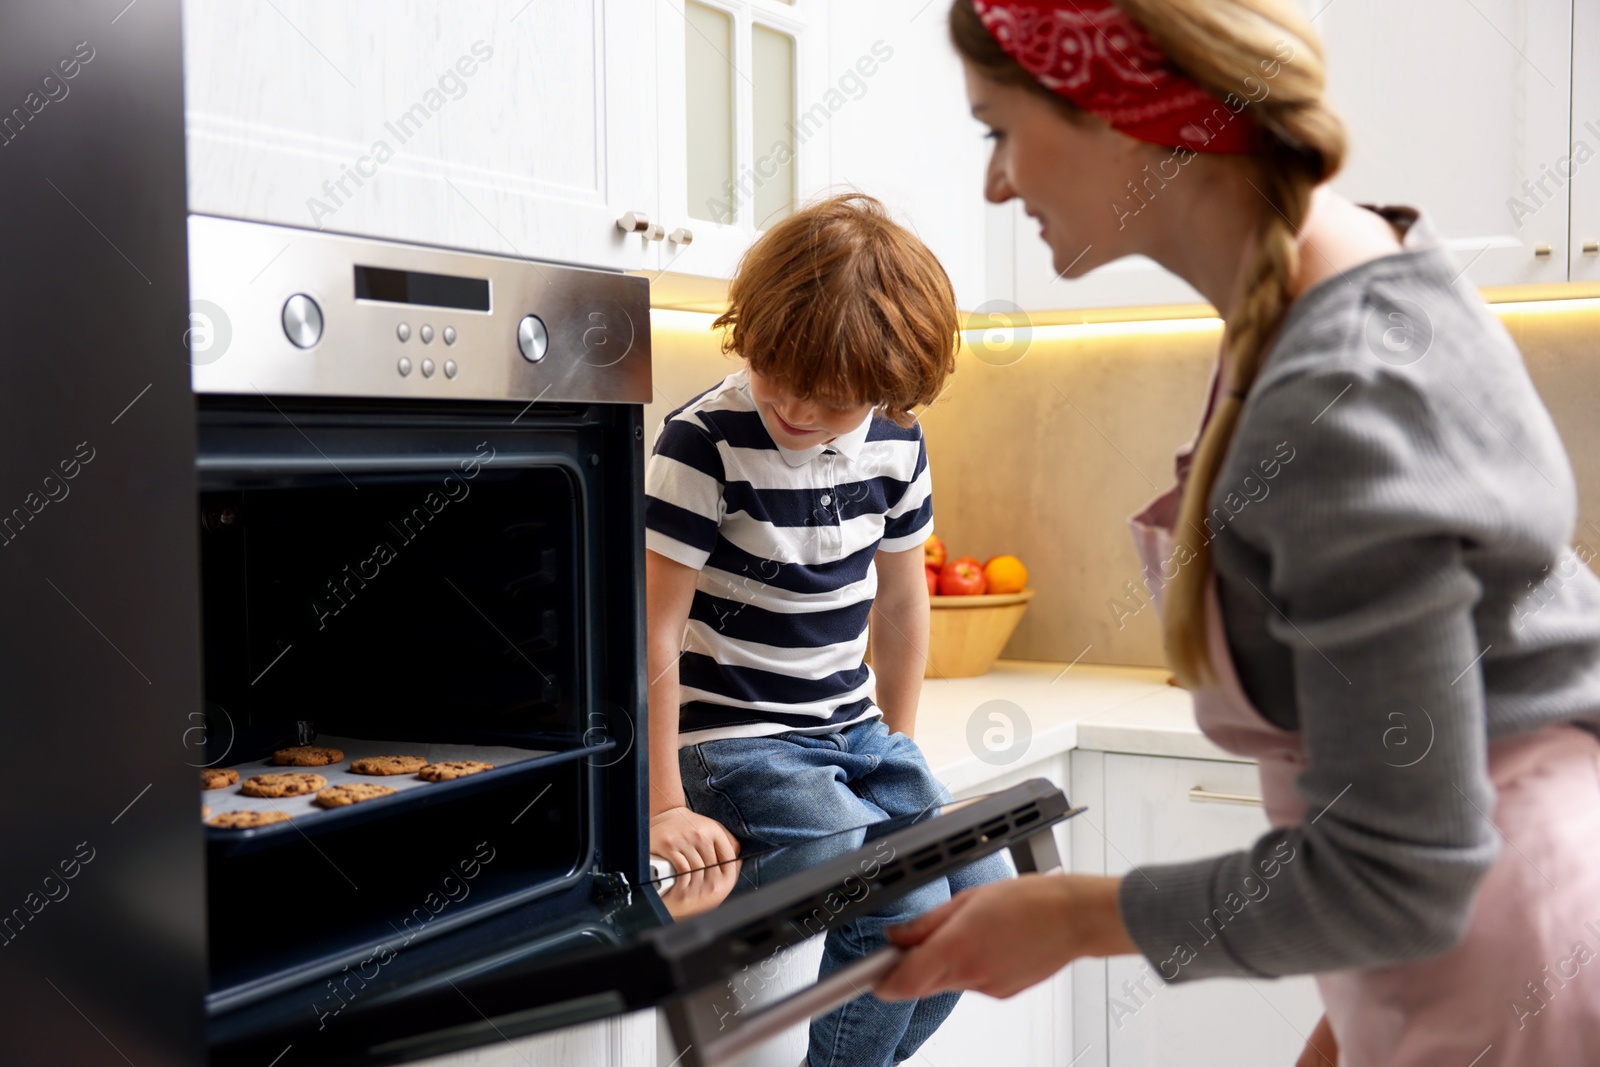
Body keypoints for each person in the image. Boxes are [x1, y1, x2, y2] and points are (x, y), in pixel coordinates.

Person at [875, 2, 1600, 1064]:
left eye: (997, 129)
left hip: (1504, 977)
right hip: (1469, 955)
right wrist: (1345, 1024)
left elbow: (1407, 872)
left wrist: (1074, 916)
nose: (994, 183)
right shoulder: (1342, 286)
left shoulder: (1341, 389)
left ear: (1116, 110)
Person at [644, 192, 1012, 1067]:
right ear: (752, 333)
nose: (801, 413)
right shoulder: (704, 443)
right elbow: (652, 633)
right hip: (735, 738)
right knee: (868, 879)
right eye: (782, 377)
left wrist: (902, 747)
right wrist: (661, 802)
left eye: (836, 401)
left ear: (887, 391)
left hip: (851, 729)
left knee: (982, 898)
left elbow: (900, 600)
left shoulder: (898, 443)